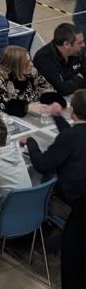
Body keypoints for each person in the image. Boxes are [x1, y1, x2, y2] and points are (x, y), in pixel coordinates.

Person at [24, 88, 86, 219]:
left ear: (71, 110)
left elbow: (41, 164)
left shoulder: (70, 137)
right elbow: (76, 136)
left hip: (71, 204)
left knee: (40, 177)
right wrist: (56, 116)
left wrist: (30, 142)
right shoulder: (73, 135)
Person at [0, 44, 60, 116]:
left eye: (30, 60)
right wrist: (27, 107)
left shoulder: (31, 71)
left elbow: (46, 87)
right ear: (15, 66)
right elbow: (0, 105)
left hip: (26, 117)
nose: (31, 64)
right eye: (26, 63)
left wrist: (53, 101)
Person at [32, 22, 86, 96]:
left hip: (75, 94)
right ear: (66, 44)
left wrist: (73, 81)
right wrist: (79, 78)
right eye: (80, 43)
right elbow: (62, 89)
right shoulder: (44, 59)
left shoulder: (78, 52)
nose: (83, 45)